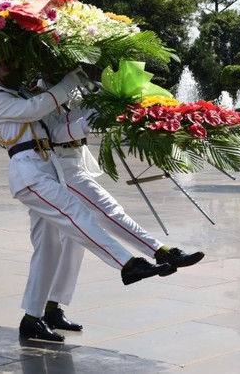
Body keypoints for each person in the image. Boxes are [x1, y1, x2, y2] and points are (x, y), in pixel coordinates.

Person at [0, 57, 172, 342]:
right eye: (7, 67)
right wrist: (69, 81)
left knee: (49, 250)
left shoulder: (27, 95)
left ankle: (32, 317)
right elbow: (34, 109)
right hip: (29, 173)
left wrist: (101, 110)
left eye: (16, 65)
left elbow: (57, 128)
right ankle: (128, 264)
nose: (14, 71)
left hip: (49, 169)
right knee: (77, 213)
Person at [31, 76, 205, 333]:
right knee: (108, 211)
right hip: (58, 169)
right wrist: (91, 118)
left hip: (75, 165)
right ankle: (160, 250)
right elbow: (53, 132)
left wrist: (112, 105)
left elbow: (85, 115)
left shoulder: (80, 88)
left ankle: (52, 308)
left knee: (73, 246)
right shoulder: (40, 94)